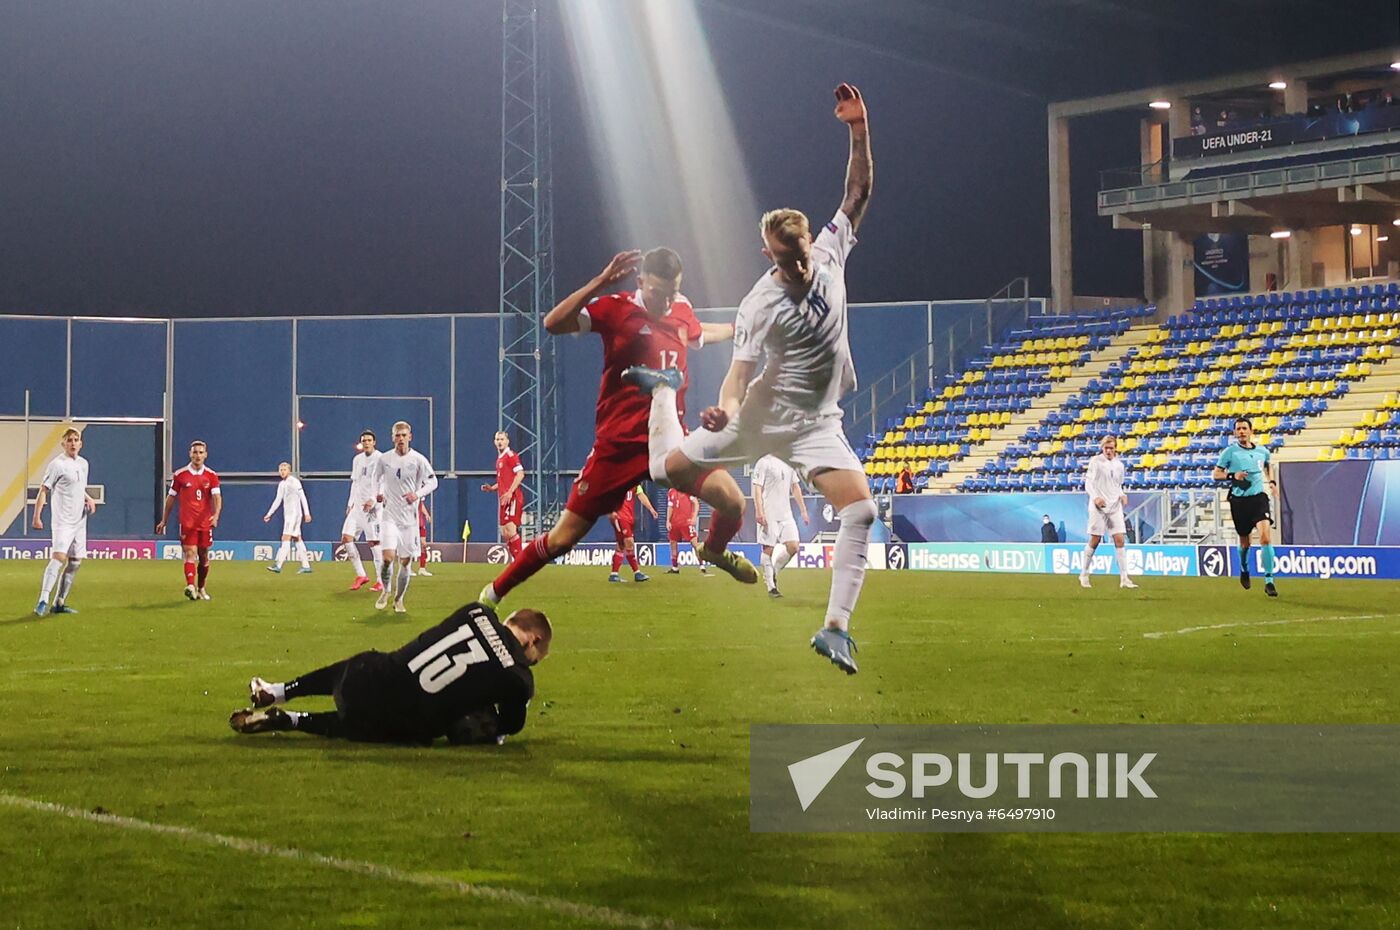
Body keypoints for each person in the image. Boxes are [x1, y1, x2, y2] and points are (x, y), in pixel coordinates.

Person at [626, 83, 874, 675]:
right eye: (779, 258)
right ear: (768, 255)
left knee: (861, 513)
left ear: (808, 241)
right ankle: (663, 391)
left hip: (818, 424)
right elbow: (737, 378)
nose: (791, 264)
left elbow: (859, 189)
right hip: (761, 416)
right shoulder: (758, 304)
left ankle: (835, 630)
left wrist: (858, 127)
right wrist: (723, 411)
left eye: (796, 253)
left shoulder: (832, 254)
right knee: (668, 470)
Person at [478, 247, 732, 606]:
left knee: (732, 497)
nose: (665, 301)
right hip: (618, 446)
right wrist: (598, 282)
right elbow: (553, 323)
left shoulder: (682, 310)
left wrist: (739, 329)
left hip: (671, 442)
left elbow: (699, 331)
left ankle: (715, 552)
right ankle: (491, 595)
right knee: (562, 539)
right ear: (642, 282)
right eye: (658, 292)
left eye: (672, 292)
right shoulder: (617, 307)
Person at [230, 603, 551, 745]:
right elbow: (508, 727)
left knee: (359, 667)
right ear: (533, 641)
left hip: (364, 678)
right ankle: (293, 720)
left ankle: (279, 690)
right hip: (397, 724)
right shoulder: (518, 678)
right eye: (536, 657)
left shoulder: (475, 611)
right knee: (380, 721)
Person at [31, 427, 96, 616]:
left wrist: (88, 498)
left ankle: (59, 603)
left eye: (76, 440)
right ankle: (43, 600)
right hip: (63, 521)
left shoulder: (84, 464)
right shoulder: (57, 465)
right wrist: (37, 516)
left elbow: (77, 486)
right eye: (69, 440)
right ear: (63, 443)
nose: (73, 443)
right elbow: (44, 490)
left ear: (81, 443)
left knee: (75, 562)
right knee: (59, 558)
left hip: (79, 521)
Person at [375, 421, 438, 613]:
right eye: (397, 435)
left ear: (410, 436)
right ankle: (385, 590)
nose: (400, 438)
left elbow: (433, 482)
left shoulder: (418, 459)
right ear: (392, 437)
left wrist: (417, 495)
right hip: (389, 516)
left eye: (404, 435)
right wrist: (377, 494)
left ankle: (399, 598)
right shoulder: (384, 459)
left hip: (409, 520)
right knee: (387, 558)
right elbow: (374, 479)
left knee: (405, 561)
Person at [1213, 417, 1278, 597]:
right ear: (1235, 432)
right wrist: (1233, 476)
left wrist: (1271, 482)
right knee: (1245, 542)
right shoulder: (1229, 452)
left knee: (1265, 538)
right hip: (1240, 502)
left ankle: (1269, 580)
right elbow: (1216, 474)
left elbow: (1267, 465)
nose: (1241, 431)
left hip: (1258, 499)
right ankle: (1244, 568)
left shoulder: (1262, 451)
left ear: (1251, 431)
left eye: (1244, 428)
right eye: (1238, 429)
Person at [156, 440, 222, 601]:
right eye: (195, 452)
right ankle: (190, 586)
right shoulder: (180, 475)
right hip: (187, 523)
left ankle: (201, 588)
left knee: (204, 555)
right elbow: (170, 498)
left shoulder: (211, 476)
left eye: (200, 452)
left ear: (205, 455)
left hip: (205, 522)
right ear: (190, 454)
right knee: (190, 553)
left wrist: (216, 515)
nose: (197, 455)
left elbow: (217, 497)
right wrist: (164, 520)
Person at [1078, 435, 1137, 590]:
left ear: (1115, 448)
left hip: (1114, 505)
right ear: (1102, 448)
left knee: (1120, 539)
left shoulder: (1119, 465)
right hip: (1099, 506)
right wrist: (1095, 497)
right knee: (1095, 540)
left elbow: (1117, 484)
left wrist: (1122, 494)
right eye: (1106, 448)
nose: (1109, 451)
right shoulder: (1096, 462)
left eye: (1111, 448)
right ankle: (1084, 573)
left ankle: (1124, 578)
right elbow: (1088, 483)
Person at [752, 454, 810, 598]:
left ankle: (774, 573)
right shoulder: (764, 462)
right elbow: (757, 488)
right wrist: (759, 511)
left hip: (786, 514)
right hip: (769, 513)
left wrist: (803, 510)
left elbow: (795, 487)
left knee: (794, 546)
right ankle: (771, 587)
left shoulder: (788, 462)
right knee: (768, 549)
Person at [339, 430, 384, 592]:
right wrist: (350, 503)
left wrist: (374, 498)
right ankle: (361, 575)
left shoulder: (380, 458)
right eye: (364, 440)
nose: (366, 442)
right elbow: (355, 482)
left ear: (374, 442)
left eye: (369, 440)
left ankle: (381, 580)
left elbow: (383, 481)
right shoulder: (357, 459)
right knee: (346, 538)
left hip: (372, 508)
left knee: (373, 543)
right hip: (357, 507)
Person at [481, 431, 526, 561]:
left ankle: (521, 563)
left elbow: (520, 474)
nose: (499, 442)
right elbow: (503, 481)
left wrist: (510, 492)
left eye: (502, 439)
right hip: (503, 498)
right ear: (494, 442)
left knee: (510, 530)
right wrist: (492, 488)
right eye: (497, 439)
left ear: (507, 441)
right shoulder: (500, 458)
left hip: (512, 498)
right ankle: (517, 562)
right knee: (504, 533)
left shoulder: (511, 455)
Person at [263, 462, 313, 574]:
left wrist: (307, 513)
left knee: (285, 538)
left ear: (289, 471)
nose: (282, 471)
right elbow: (278, 500)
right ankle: (306, 566)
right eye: (280, 469)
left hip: (294, 515)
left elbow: (302, 497)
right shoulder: (282, 484)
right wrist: (269, 513)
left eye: (284, 469)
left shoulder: (294, 482)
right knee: (297, 539)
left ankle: (278, 565)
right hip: (288, 515)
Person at [608, 485, 658, 583]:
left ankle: (614, 574)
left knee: (621, 545)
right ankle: (637, 572)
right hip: (620, 516)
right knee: (629, 541)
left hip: (629, 517)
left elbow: (641, 495)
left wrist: (651, 509)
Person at [664, 487, 710, 575]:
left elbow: (696, 503)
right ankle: (675, 568)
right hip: (675, 523)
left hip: (686, 523)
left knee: (695, 543)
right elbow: (670, 507)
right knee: (673, 543)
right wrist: (668, 521)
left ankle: (702, 566)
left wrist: (694, 517)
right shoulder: (671, 491)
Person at [416, 500, 434, 576]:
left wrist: (426, 514)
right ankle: (407, 568)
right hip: (410, 523)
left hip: (420, 523)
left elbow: (421, 503)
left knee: (423, 544)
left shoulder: (419, 493)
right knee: (408, 546)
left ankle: (422, 568)